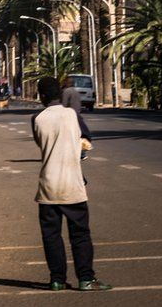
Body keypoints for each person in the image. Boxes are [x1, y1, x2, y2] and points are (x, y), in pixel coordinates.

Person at [32, 77, 111, 292]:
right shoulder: (72, 115)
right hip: (72, 185)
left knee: (51, 236)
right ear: (60, 93)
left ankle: (57, 279)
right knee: (80, 234)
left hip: (48, 186)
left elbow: (41, 143)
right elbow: (86, 139)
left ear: (41, 96)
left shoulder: (37, 119)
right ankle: (86, 278)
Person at [61, 76, 93, 158]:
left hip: (69, 116)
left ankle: (78, 154)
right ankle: (82, 153)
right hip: (77, 115)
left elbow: (64, 105)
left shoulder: (66, 91)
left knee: (69, 136)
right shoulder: (75, 92)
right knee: (78, 135)